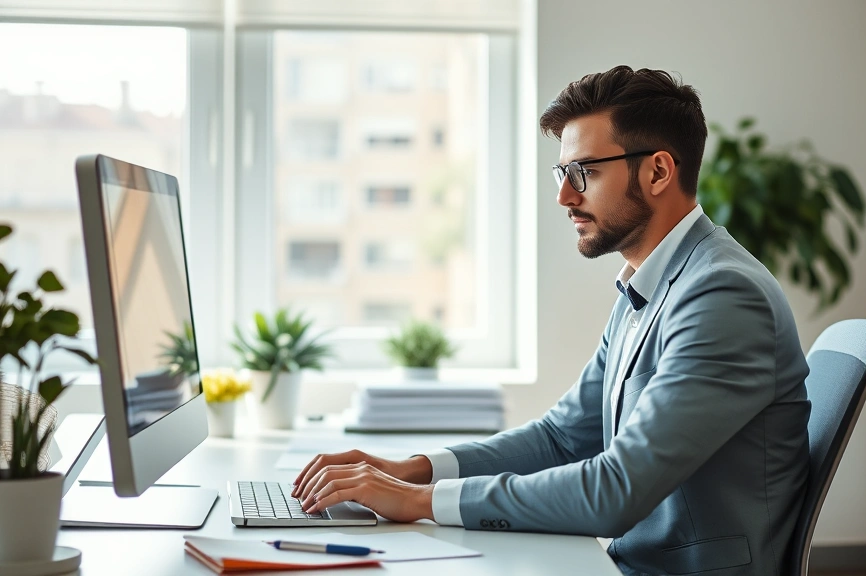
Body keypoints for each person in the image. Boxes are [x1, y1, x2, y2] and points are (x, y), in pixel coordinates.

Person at [291, 65, 811, 576]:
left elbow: (615, 490)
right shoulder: (648, 284)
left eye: (584, 172)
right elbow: (560, 439)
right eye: (563, 173)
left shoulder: (722, 294)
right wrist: (413, 471)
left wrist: (422, 500)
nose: (564, 196)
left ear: (657, 171)